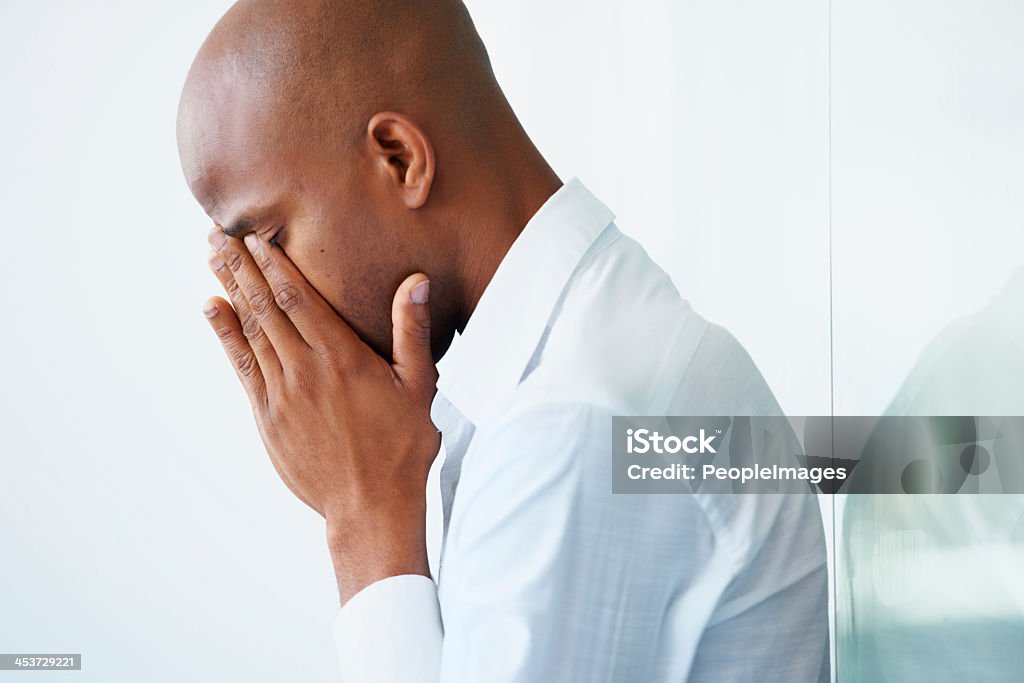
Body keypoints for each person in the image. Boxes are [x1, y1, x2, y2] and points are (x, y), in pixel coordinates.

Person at [176, 0, 830, 680]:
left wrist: (362, 520)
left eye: (270, 240)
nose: (260, 293)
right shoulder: (569, 358)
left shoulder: (570, 418)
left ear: (400, 159)